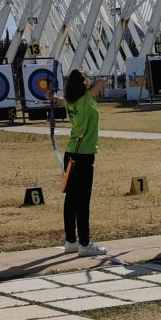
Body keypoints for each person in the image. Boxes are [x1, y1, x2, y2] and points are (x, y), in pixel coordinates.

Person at [60, 69, 109, 256]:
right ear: (84, 83)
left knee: (71, 199)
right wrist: (95, 81)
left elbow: (61, 100)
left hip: (71, 153)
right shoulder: (86, 98)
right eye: (86, 79)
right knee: (82, 201)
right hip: (83, 155)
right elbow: (101, 83)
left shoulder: (71, 102)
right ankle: (85, 244)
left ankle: (71, 241)